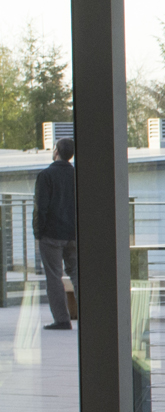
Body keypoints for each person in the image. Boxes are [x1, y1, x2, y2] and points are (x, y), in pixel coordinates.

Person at [33, 136, 77, 330]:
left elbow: (40, 207)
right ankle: (90, 316)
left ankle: (62, 319)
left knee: (53, 277)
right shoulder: (77, 175)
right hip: (73, 233)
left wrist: (38, 232)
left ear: (56, 151)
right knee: (77, 274)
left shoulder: (46, 176)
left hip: (51, 234)